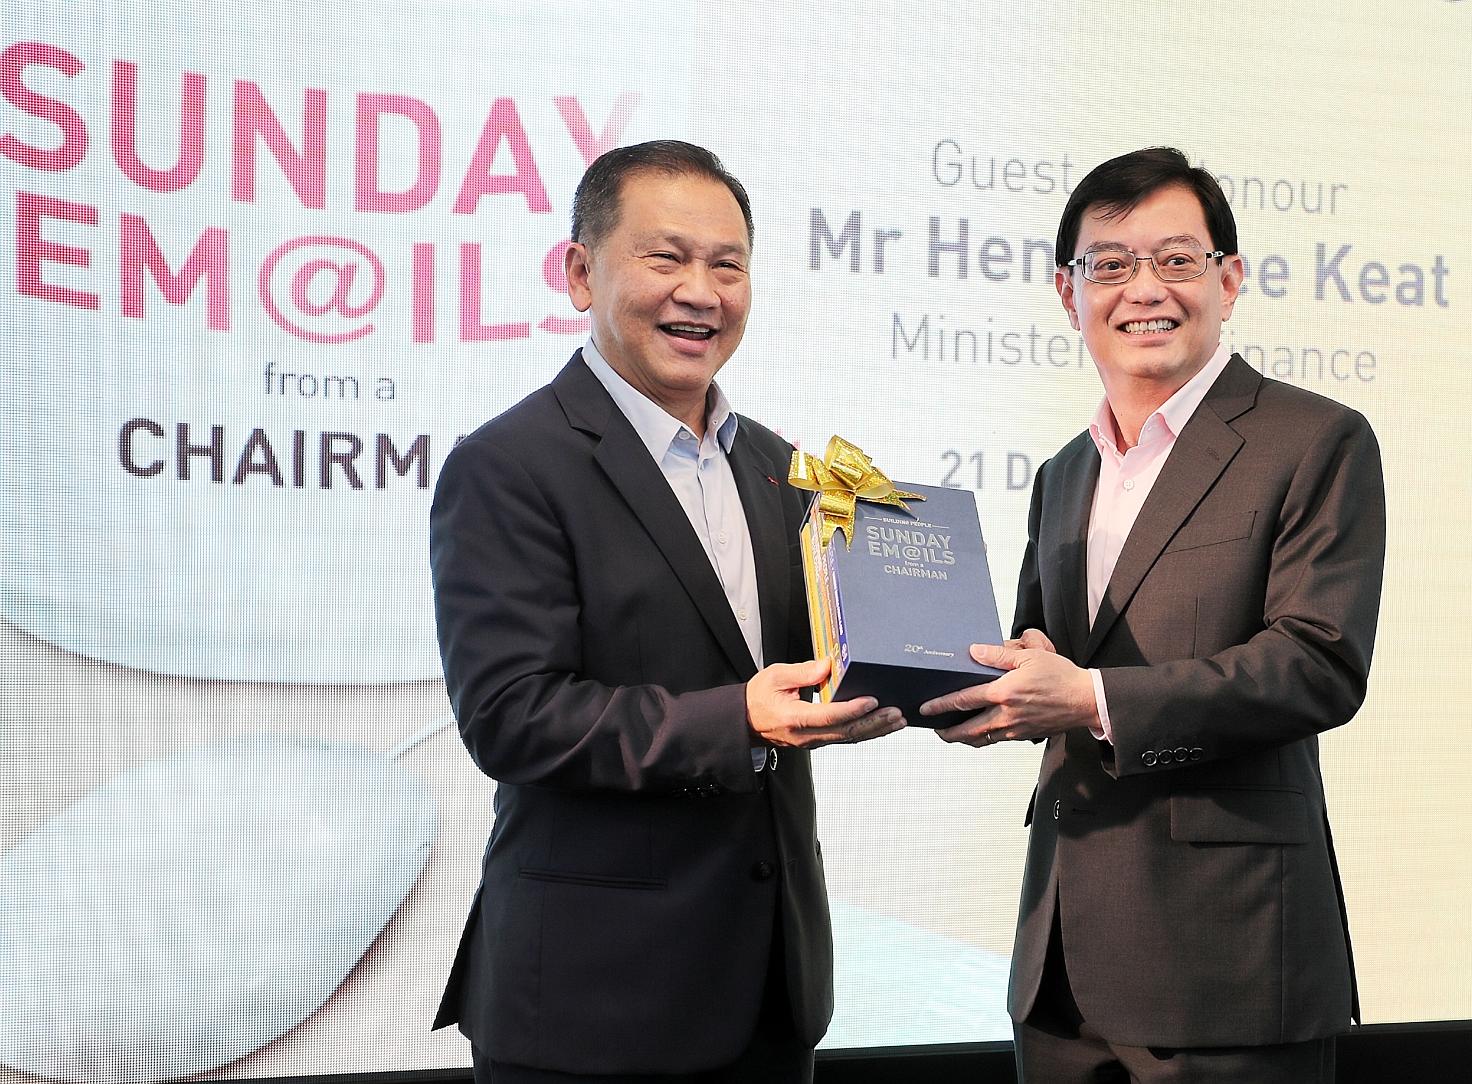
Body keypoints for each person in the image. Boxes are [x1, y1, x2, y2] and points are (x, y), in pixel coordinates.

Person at [429, 140, 904, 1083]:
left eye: (728, 265)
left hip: (770, 994)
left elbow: (825, 659)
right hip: (592, 1004)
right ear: (580, 273)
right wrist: (741, 718)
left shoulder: (782, 467)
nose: (702, 292)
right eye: (667, 258)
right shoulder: (509, 465)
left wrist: (930, 675)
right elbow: (511, 716)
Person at [920, 147, 1386, 1083]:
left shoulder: (1314, 439)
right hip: (1059, 967)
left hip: (1227, 959)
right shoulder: (1064, 472)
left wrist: (1090, 698)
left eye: (1177, 260)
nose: (1145, 289)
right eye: (1111, 264)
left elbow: (1318, 665)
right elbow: (1045, 658)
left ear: (1229, 280)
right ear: (1069, 293)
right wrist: (959, 685)